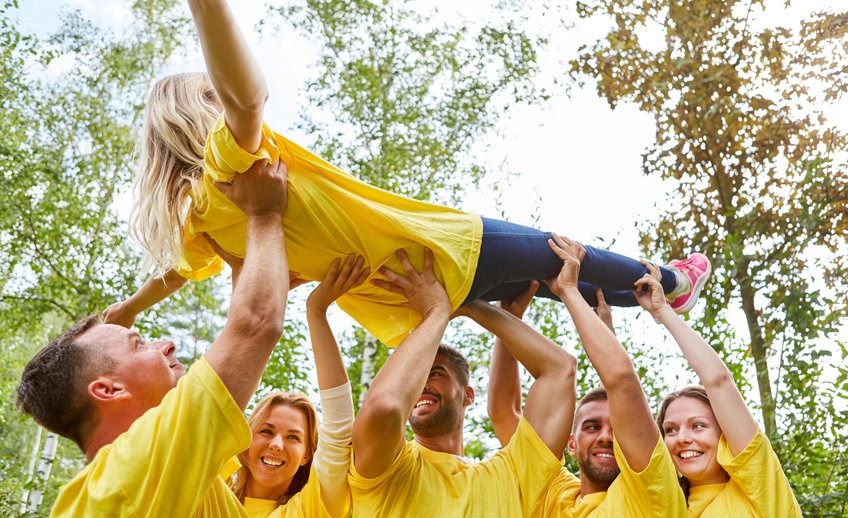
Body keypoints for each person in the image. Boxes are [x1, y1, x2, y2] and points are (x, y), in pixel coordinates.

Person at [104, 0, 711, 347]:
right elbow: (248, 98)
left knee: (555, 284)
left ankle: (633, 296)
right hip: (442, 245)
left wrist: (126, 313)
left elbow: (173, 277)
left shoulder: (202, 222)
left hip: (416, 298)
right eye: (213, 97)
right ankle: (667, 281)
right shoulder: (231, 165)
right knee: (562, 253)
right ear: (199, 113)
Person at [15, 159, 289, 518]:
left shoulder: (158, 477)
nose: (167, 345)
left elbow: (242, 341)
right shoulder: (136, 472)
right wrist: (264, 213)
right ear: (108, 389)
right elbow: (255, 323)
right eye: (140, 344)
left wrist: (249, 261)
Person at [346, 247, 575, 518]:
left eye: (436, 374)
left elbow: (560, 369)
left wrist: (472, 306)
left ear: (467, 395)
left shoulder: (508, 478)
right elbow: (384, 407)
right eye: (417, 377)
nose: (422, 384)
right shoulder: (389, 466)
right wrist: (436, 312)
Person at [488, 234, 691, 518]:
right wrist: (510, 316)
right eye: (592, 427)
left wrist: (569, 290)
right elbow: (504, 413)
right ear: (571, 443)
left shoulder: (651, 494)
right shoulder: (555, 497)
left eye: (615, 428)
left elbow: (621, 381)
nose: (606, 437)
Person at [640, 263, 805, 518]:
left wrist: (663, 312)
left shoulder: (763, 494)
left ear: (725, 435)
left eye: (698, 425)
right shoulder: (670, 517)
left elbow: (718, 383)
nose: (683, 438)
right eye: (671, 430)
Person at [226, 255, 364, 518]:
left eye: (293, 437)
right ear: (244, 438)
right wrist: (244, 280)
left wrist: (316, 311)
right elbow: (220, 392)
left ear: (306, 455)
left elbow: (341, 426)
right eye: (266, 430)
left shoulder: (313, 513)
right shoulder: (213, 501)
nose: (276, 444)